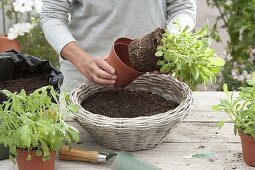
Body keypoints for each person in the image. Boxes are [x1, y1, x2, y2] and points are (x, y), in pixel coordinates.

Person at [40, 0, 196, 91]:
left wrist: (171, 46)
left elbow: (182, 8)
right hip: (85, 84)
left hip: (153, 83)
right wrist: (83, 62)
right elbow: (52, 15)